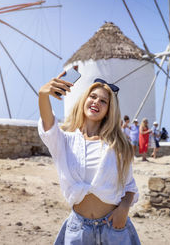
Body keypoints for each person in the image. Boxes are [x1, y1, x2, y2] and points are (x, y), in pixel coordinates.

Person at [38, 74, 141, 244]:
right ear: (84, 100)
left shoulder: (118, 145)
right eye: (92, 97)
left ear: (109, 110)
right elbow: (48, 125)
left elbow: (130, 187)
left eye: (103, 101)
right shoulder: (64, 140)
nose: (96, 102)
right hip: (78, 231)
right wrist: (43, 95)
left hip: (114, 228)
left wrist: (123, 209)